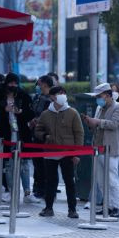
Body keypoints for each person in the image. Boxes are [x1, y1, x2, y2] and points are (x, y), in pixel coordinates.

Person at [35, 86, 84, 218]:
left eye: (64, 93)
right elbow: (38, 130)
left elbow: (79, 134)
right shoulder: (46, 114)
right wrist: (45, 136)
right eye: (59, 94)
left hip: (68, 152)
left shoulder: (73, 113)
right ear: (52, 97)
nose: (62, 96)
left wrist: (76, 153)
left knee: (69, 181)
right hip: (50, 152)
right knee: (51, 181)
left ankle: (72, 209)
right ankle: (48, 208)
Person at [0, 72, 39, 204]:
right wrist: (4, 110)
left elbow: (31, 113)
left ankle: (27, 192)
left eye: (15, 84)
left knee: (24, 163)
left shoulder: (23, 95)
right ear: (6, 83)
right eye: (11, 83)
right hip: (4, 134)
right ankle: (12, 191)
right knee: (8, 164)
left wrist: (21, 112)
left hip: (21, 134)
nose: (13, 86)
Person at [82, 83, 119, 218]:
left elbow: (114, 124)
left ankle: (116, 207)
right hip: (98, 148)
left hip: (112, 148)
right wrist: (90, 123)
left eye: (99, 96)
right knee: (101, 180)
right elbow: (96, 126)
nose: (98, 99)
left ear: (107, 96)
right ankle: (106, 206)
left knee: (112, 179)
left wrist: (97, 122)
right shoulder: (100, 108)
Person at [29, 75, 54, 199]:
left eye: (39, 83)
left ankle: (46, 190)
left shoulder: (51, 98)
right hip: (35, 134)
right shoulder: (37, 98)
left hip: (46, 136)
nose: (37, 86)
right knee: (37, 164)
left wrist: (39, 120)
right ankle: (38, 188)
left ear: (44, 84)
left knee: (46, 165)